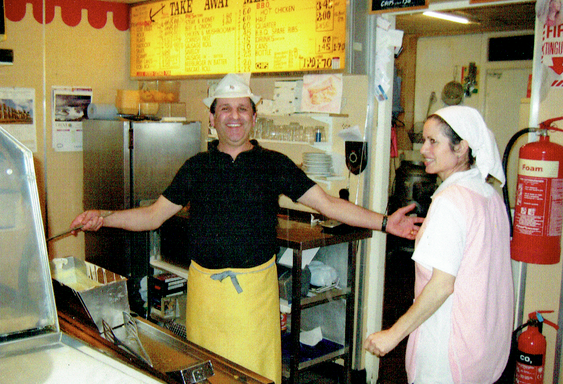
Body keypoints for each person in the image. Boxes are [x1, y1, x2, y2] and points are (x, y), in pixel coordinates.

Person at [70, 73, 423, 384]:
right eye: (225, 109)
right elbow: (152, 216)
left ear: (254, 117)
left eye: (242, 109)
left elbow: (328, 204)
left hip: (255, 295)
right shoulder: (197, 167)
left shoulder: (274, 165)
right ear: (212, 117)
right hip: (206, 296)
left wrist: (384, 222)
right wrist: (104, 216)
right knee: (207, 374)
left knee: (256, 375)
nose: (234, 117)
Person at [364, 106, 514, 383]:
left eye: (434, 141)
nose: (423, 149)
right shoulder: (489, 195)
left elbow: (442, 284)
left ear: (461, 148)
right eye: (424, 140)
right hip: (484, 346)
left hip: (449, 349)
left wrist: (392, 335)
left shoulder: (450, 202)